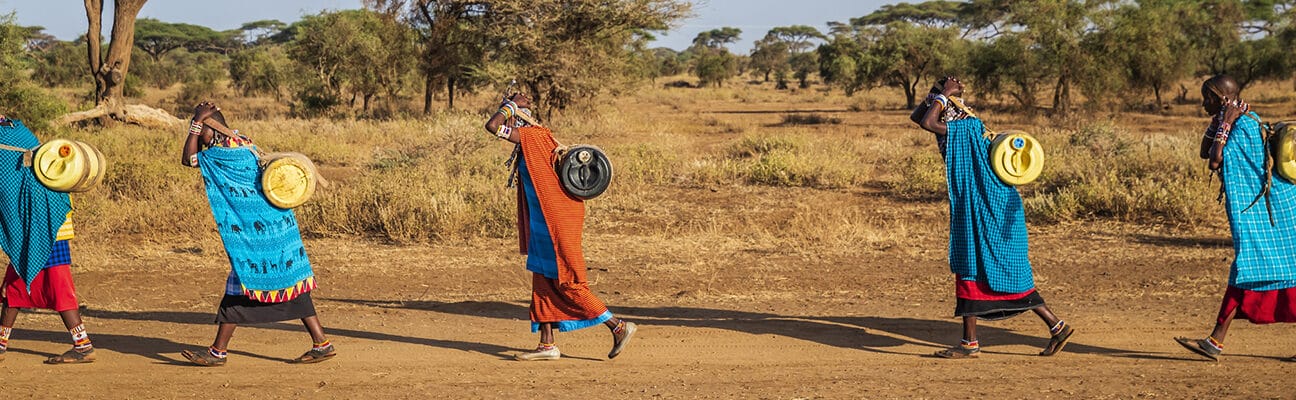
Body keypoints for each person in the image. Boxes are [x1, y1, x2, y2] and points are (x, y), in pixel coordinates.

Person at [914, 77, 1075, 359]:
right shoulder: (957, 128)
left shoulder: (966, 127)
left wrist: (947, 94)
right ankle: (1054, 327)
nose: (933, 107)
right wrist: (939, 92)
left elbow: (928, 122)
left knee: (987, 269)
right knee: (977, 268)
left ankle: (971, 344)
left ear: (948, 109)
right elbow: (919, 118)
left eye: (937, 104)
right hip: (978, 206)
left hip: (990, 208)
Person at [178, 102, 335, 366]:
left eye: (202, 130)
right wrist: (199, 122)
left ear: (211, 128)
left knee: (242, 283)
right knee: (289, 282)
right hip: (278, 228)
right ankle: (322, 343)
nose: (199, 135)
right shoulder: (243, 142)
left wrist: (195, 122)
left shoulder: (221, 155)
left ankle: (218, 352)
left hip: (257, 238)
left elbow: (188, 159)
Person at [484, 92, 637, 361]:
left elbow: (493, 126)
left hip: (557, 221)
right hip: (543, 222)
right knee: (542, 279)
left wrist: (510, 107)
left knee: (569, 281)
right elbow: (501, 124)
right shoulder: (530, 141)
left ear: (522, 119)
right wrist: (509, 106)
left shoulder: (535, 137)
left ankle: (619, 326)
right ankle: (547, 345)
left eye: (516, 118)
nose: (514, 128)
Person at [1175, 75, 1296, 361]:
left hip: (1272, 212)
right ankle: (1214, 342)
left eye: (1208, 98)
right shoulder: (1231, 121)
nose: (1203, 103)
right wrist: (1219, 121)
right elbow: (1206, 152)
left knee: (1258, 270)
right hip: (1261, 212)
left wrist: (1227, 123)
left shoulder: (1243, 125)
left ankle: (1215, 342)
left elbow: (1216, 160)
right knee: (1255, 271)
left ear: (1222, 98)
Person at [0, 115, 97, 364]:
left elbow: (6, 186)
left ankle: (83, 346)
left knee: (59, 287)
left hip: (43, 223)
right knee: (14, 284)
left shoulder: (3, 137)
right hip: (37, 217)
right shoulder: (13, 128)